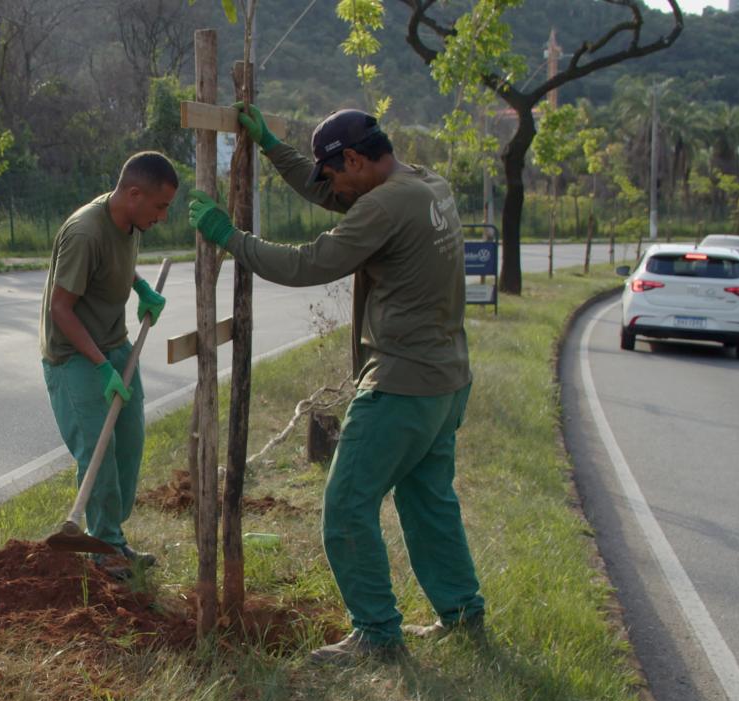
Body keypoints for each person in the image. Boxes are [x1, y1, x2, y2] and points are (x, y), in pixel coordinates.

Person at [187, 106, 485, 663]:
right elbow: (336, 195)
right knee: (429, 503)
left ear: (354, 158)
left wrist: (231, 238)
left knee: (347, 506)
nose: (331, 188)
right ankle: (463, 613)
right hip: (447, 380)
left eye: (335, 173)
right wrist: (276, 148)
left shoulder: (386, 206)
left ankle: (375, 633)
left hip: (402, 384)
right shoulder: (424, 183)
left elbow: (308, 264)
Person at [40, 151, 178, 574]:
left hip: (114, 344)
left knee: (129, 444)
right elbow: (60, 309)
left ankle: (112, 538)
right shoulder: (85, 232)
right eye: (160, 207)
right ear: (134, 194)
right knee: (99, 451)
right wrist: (102, 366)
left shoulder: (131, 220)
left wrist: (141, 289)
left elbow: (120, 265)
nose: (162, 217)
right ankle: (105, 551)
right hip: (75, 358)